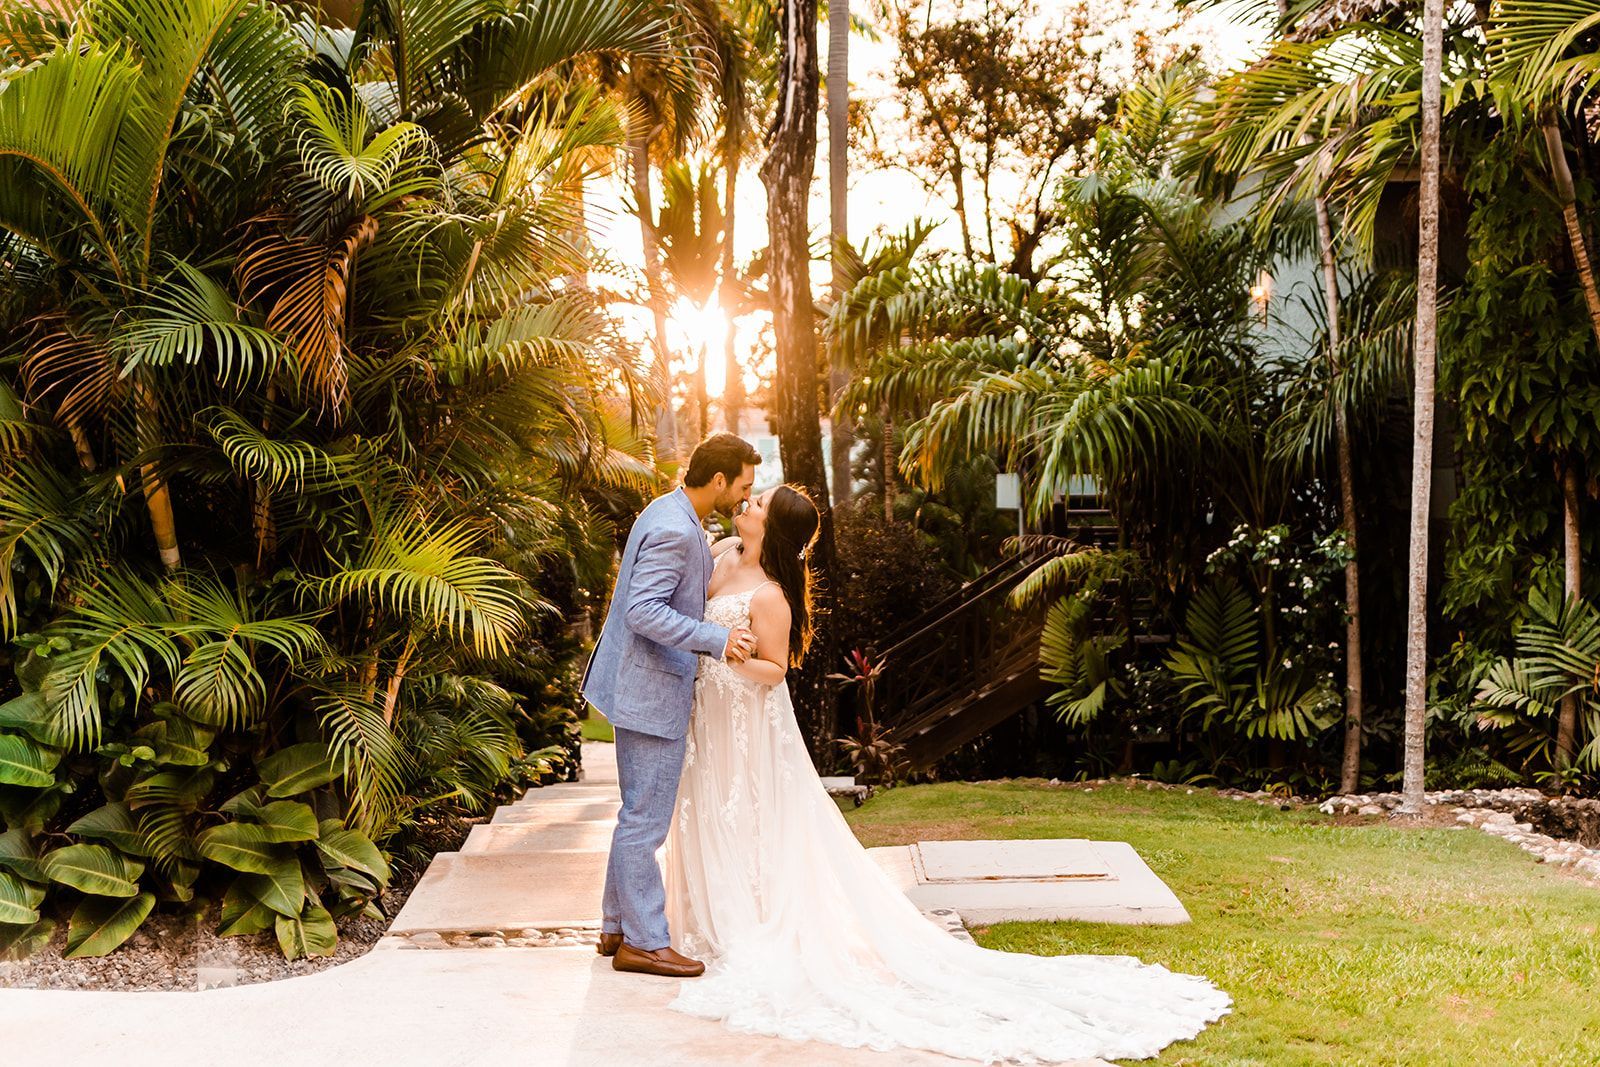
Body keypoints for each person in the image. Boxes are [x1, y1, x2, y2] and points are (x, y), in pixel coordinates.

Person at [661, 483, 1233, 1062]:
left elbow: (774, 670)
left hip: (745, 721)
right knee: (712, 809)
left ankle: (751, 921)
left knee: (752, 813)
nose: (748, 504)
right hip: (707, 715)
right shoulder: (723, 553)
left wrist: (724, 652)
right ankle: (710, 916)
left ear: (776, 527)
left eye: (759, 503)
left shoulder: (772, 596)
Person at [582, 432, 762, 978]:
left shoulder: (668, 511)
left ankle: (617, 925)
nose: (745, 498)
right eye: (744, 486)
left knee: (634, 813)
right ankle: (645, 942)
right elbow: (643, 611)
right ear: (718, 480)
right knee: (645, 821)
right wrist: (716, 637)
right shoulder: (674, 530)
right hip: (650, 688)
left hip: (637, 684)